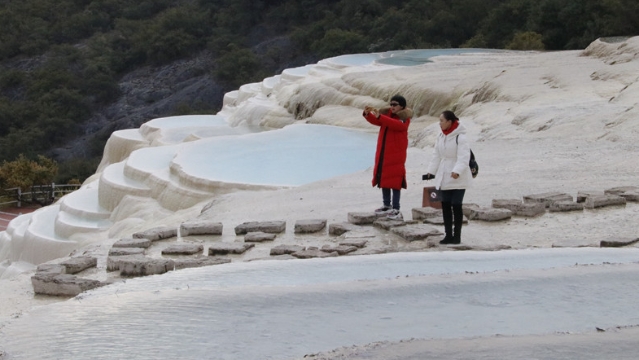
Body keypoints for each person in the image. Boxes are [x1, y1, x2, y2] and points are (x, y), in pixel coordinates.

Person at [423, 110, 471, 244]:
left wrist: (457, 171)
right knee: (445, 205)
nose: (440, 124)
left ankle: (457, 236)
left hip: (458, 177)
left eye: (442, 121)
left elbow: (464, 157)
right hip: (444, 175)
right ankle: (448, 235)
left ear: (449, 122)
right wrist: (430, 171)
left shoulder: (460, 137)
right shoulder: (441, 136)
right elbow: (436, 155)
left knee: (456, 204)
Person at [363, 95, 412, 220]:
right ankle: (386, 205)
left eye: (395, 104)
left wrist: (381, 116)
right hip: (384, 153)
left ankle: (396, 208)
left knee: (395, 181)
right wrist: (368, 115)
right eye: (391, 104)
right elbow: (378, 122)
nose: (392, 107)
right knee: (384, 178)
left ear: (402, 106)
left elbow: (397, 126)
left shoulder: (404, 117)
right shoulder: (387, 115)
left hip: (396, 154)